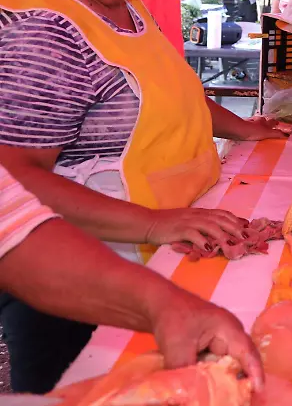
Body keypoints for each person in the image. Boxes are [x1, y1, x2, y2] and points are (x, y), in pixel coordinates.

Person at [0, 0, 285, 391]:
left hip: (170, 253)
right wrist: (155, 224)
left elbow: (176, 92)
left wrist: (244, 130)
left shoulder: (125, 7)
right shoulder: (43, 31)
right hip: (84, 284)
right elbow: (14, 175)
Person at [0, 164, 264, 392]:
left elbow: (12, 221)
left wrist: (165, 307)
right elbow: (16, 227)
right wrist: (151, 224)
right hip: (65, 272)